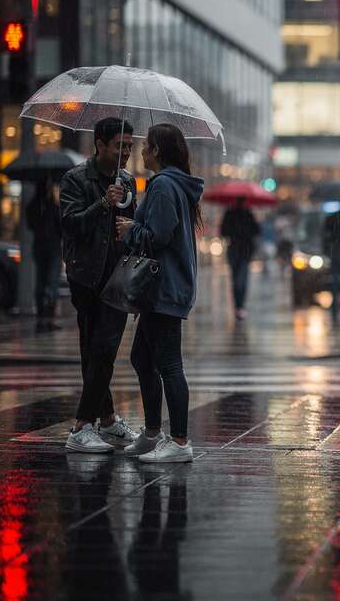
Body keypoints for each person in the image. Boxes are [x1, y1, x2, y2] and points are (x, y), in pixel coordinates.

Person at [116, 123, 205, 463]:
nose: (140, 151)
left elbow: (159, 236)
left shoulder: (164, 185)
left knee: (169, 364)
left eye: (145, 146)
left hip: (164, 288)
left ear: (156, 150)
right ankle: (153, 433)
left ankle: (179, 442)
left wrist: (130, 229)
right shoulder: (170, 184)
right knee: (142, 358)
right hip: (163, 288)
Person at [59, 117, 140, 453]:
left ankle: (101, 420)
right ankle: (84, 427)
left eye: (130, 146)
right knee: (95, 349)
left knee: (103, 349)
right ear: (100, 145)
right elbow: (70, 225)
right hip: (86, 276)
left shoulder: (128, 180)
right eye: (120, 146)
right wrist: (103, 203)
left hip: (118, 277)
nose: (126, 152)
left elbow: (131, 225)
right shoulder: (76, 179)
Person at [26, 178, 64, 331]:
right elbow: (61, 227)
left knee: (40, 282)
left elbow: (30, 225)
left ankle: (41, 317)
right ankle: (49, 318)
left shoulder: (32, 207)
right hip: (53, 248)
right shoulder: (53, 207)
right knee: (52, 282)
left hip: (39, 247)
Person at [219, 196, 260, 320]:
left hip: (243, 252)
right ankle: (238, 306)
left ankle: (239, 306)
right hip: (236, 251)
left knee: (240, 280)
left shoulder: (247, 214)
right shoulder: (232, 213)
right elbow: (223, 231)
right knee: (238, 280)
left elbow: (256, 231)